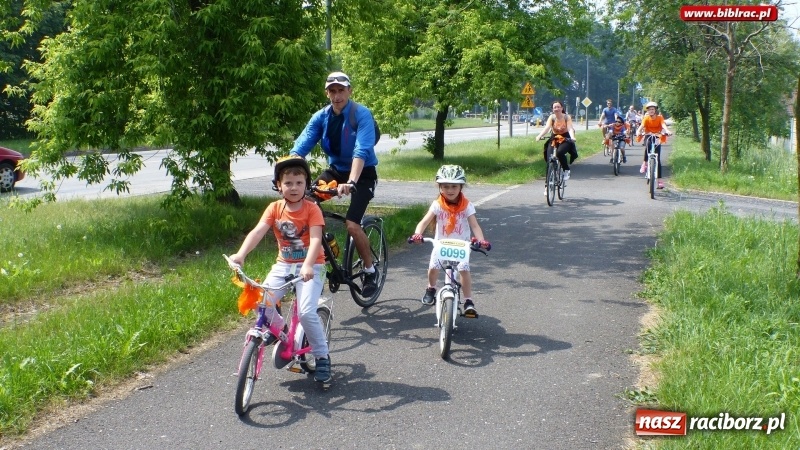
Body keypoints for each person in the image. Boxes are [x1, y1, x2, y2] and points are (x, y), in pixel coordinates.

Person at [229, 156, 332, 383]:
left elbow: (315, 240)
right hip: (284, 265)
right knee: (260, 302)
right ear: (278, 185)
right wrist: (241, 254)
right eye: (288, 183)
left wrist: (307, 264)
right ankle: (281, 331)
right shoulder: (274, 208)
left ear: (306, 185)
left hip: (312, 265)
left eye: (299, 183)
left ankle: (322, 357)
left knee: (306, 312)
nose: (293, 188)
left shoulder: (312, 209)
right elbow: (257, 232)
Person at [290, 71, 380, 297]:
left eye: (341, 90)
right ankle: (323, 249)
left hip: (363, 172)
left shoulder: (362, 114)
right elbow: (300, 146)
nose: (337, 95)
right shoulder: (321, 117)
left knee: (351, 224)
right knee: (307, 202)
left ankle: (370, 271)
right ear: (327, 92)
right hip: (336, 170)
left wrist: (351, 182)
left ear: (350, 91)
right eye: (332, 91)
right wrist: (286, 176)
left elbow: (361, 150)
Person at [409, 165, 490, 318]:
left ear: (461, 187)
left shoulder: (467, 206)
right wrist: (417, 234)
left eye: (454, 186)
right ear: (440, 188)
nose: (450, 190)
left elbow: (475, 225)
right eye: (446, 186)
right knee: (433, 267)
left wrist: (481, 241)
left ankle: (468, 301)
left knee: (464, 270)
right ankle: (431, 288)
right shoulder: (438, 205)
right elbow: (424, 222)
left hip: (461, 245)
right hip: (441, 244)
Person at [536, 100, 578, 194]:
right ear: (552, 109)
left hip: (565, 138)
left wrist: (572, 137)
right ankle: (547, 186)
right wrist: (539, 136)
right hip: (554, 138)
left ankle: (566, 169)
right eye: (555, 107)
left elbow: (570, 128)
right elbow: (547, 128)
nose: (557, 109)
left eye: (558, 107)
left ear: (562, 108)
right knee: (549, 159)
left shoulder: (567, 117)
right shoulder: (552, 117)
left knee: (559, 153)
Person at [636, 101, 672, 189]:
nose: (651, 111)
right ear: (647, 111)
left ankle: (659, 181)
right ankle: (645, 163)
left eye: (653, 109)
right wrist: (638, 131)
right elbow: (642, 126)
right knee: (647, 145)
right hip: (648, 135)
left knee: (658, 159)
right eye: (649, 109)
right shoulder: (646, 118)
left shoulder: (660, 118)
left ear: (655, 110)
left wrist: (667, 131)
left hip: (657, 136)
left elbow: (663, 125)